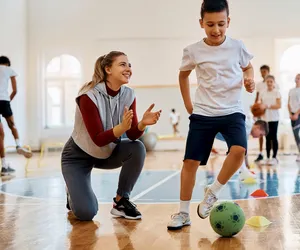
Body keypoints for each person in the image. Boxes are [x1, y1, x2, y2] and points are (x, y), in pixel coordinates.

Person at [167, 0, 255, 230]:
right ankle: (183, 213)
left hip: (232, 110)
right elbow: (183, 76)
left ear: (228, 22)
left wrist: (249, 78)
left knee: (239, 150)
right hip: (204, 112)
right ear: (201, 23)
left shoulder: (237, 46)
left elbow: (248, 66)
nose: (216, 30)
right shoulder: (193, 50)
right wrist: (188, 105)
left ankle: (212, 192)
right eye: (210, 24)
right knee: (190, 162)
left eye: (221, 24)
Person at [61, 51, 161, 221]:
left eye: (129, 65)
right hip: (77, 157)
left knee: (137, 148)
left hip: (106, 153)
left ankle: (121, 201)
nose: (128, 68)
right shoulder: (88, 96)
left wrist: (142, 123)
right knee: (86, 213)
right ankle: (72, 192)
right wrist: (121, 127)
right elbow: (98, 139)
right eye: (122, 64)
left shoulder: (128, 94)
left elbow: (132, 134)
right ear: (108, 69)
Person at [0, 56, 32, 176]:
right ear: (7, 63)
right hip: (4, 101)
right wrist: (8, 101)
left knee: (0, 135)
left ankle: (4, 165)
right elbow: (15, 90)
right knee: (12, 125)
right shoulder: (9, 70)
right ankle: (18, 144)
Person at [259, 75, 281, 165]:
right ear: (266, 83)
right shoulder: (263, 93)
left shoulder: (277, 93)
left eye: (271, 81)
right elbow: (261, 105)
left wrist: (267, 106)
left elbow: (279, 105)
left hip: (274, 118)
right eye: (268, 81)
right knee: (267, 138)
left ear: (274, 82)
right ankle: (268, 157)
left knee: (274, 137)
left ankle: (274, 157)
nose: (269, 83)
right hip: (265, 119)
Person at [254, 65, 270, 163]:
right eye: (261, 71)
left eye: (264, 71)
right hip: (261, 111)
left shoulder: (272, 83)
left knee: (269, 134)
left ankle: (270, 155)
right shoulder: (259, 84)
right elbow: (257, 97)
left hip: (270, 112)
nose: (262, 73)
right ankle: (260, 153)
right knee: (260, 132)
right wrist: (254, 109)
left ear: (268, 72)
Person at [288, 74, 300, 161]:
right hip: (292, 114)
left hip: (298, 114)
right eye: (296, 78)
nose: (297, 79)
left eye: (299, 78)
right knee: (295, 135)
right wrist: (290, 113)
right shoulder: (291, 90)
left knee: (297, 133)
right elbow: (288, 103)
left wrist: (296, 114)